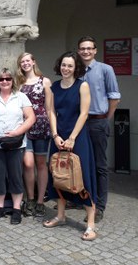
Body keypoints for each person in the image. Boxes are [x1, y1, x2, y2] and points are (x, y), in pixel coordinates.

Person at [43, 51, 98, 241]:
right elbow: (50, 112)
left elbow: (84, 114)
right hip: (58, 136)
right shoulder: (54, 87)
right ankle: (60, 215)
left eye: (70, 66)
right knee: (58, 175)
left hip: (78, 136)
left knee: (82, 176)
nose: (65, 69)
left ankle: (91, 224)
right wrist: (55, 135)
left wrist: (72, 137)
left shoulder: (82, 85)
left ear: (76, 68)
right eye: (63, 65)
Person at [0, 68, 35, 225]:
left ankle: (17, 209)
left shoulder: (21, 97)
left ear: (13, 81)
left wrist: (17, 131)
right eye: (1, 79)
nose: (4, 81)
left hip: (16, 144)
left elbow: (31, 117)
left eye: (8, 79)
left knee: (15, 176)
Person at [78, 36, 121, 223]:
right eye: (82, 48)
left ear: (95, 50)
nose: (86, 51)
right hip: (79, 123)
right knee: (79, 163)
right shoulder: (76, 70)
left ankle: (99, 205)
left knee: (100, 166)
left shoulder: (105, 69)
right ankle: (80, 197)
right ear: (79, 51)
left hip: (97, 121)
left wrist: (105, 119)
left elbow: (115, 97)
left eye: (89, 48)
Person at [16, 52, 52, 217]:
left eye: (27, 60)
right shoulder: (19, 84)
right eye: (22, 61)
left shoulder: (44, 81)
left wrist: (54, 129)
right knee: (28, 164)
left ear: (33, 62)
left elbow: (50, 108)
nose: (25, 63)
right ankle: (29, 198)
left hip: (42, 127)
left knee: (41, 164)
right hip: (25, 128)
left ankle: (39, 201)